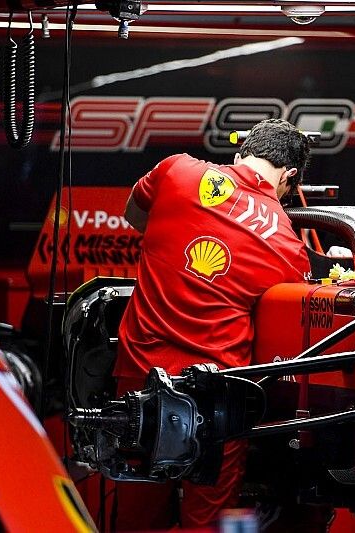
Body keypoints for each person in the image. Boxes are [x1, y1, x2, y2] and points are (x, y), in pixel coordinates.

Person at [111, 118, 312, 530]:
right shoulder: (290, 248)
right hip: (217, 394)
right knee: (207, 521)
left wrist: (174, 239)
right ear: (290, 176)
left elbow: (135, 214)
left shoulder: (177, 170)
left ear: (242, 154)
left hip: (140, 377)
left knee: (134, 514)